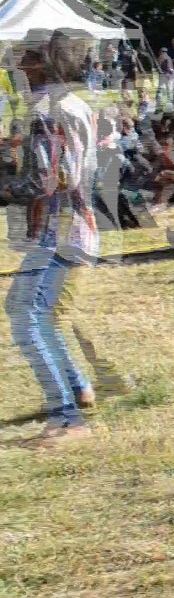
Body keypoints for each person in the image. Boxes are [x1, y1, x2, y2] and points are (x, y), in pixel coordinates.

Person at [1, 31, 126, 448]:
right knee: (38, 314)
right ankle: (77, 390)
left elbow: (48, 178)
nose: (16, 66)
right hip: (71, 225)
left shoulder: (47, 111)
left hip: (59, 230)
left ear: (43, 64)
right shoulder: (71, 105)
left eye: (24, 58)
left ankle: (68, 421)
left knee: (25, 314)